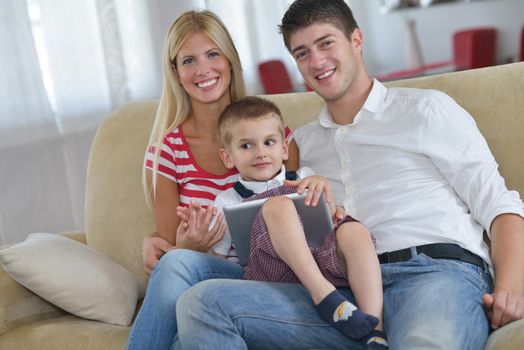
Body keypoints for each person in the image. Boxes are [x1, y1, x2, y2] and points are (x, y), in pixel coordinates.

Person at [174, 0, 524, 349]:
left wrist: (510, 285)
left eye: (326, 43)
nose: (317, 62)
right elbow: (264, 198)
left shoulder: (426, 109)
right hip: (336, 296)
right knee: (203, 303)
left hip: (430, 272)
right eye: (302, 53)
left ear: (356, 39)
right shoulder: (300, 144)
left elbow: (497, 202)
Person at [126, 10, 299, 350]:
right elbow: (170, 254)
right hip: (216, 276)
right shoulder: (167, 151)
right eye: (189, 60)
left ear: (229, 60)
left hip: (278, 275)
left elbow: (300, 213)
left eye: (213, 54)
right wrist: (187, 247)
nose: (203, 70)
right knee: (178, 277)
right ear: (175, 72)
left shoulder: (274, 137)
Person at [206, 96, 387, 348]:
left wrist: (323, 193)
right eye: (246, 146)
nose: (260, 153)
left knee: (354, 230)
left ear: (283, 149)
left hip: (322, 262)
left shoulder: (304, 177)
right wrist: (196, 241)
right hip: (271, 276)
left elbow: (330, 221)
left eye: (269, 142)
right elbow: (217, 260)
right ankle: (325, 297)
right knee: (278, 205)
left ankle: (373, 329)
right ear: (228, 157)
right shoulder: (226, 200)